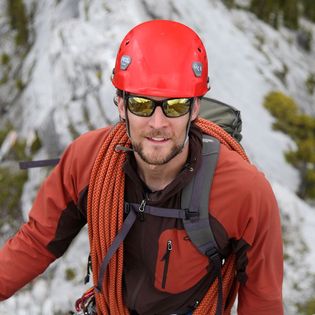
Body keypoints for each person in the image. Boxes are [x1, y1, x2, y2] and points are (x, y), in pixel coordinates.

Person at [0, 20, 283, 315]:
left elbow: (263, 302)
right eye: (141, 105)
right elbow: (36, 242)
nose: (157, 124)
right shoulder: (88, 161)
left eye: (174, 106)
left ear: (195, 108)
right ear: (121, 105)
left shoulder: (245, 193)